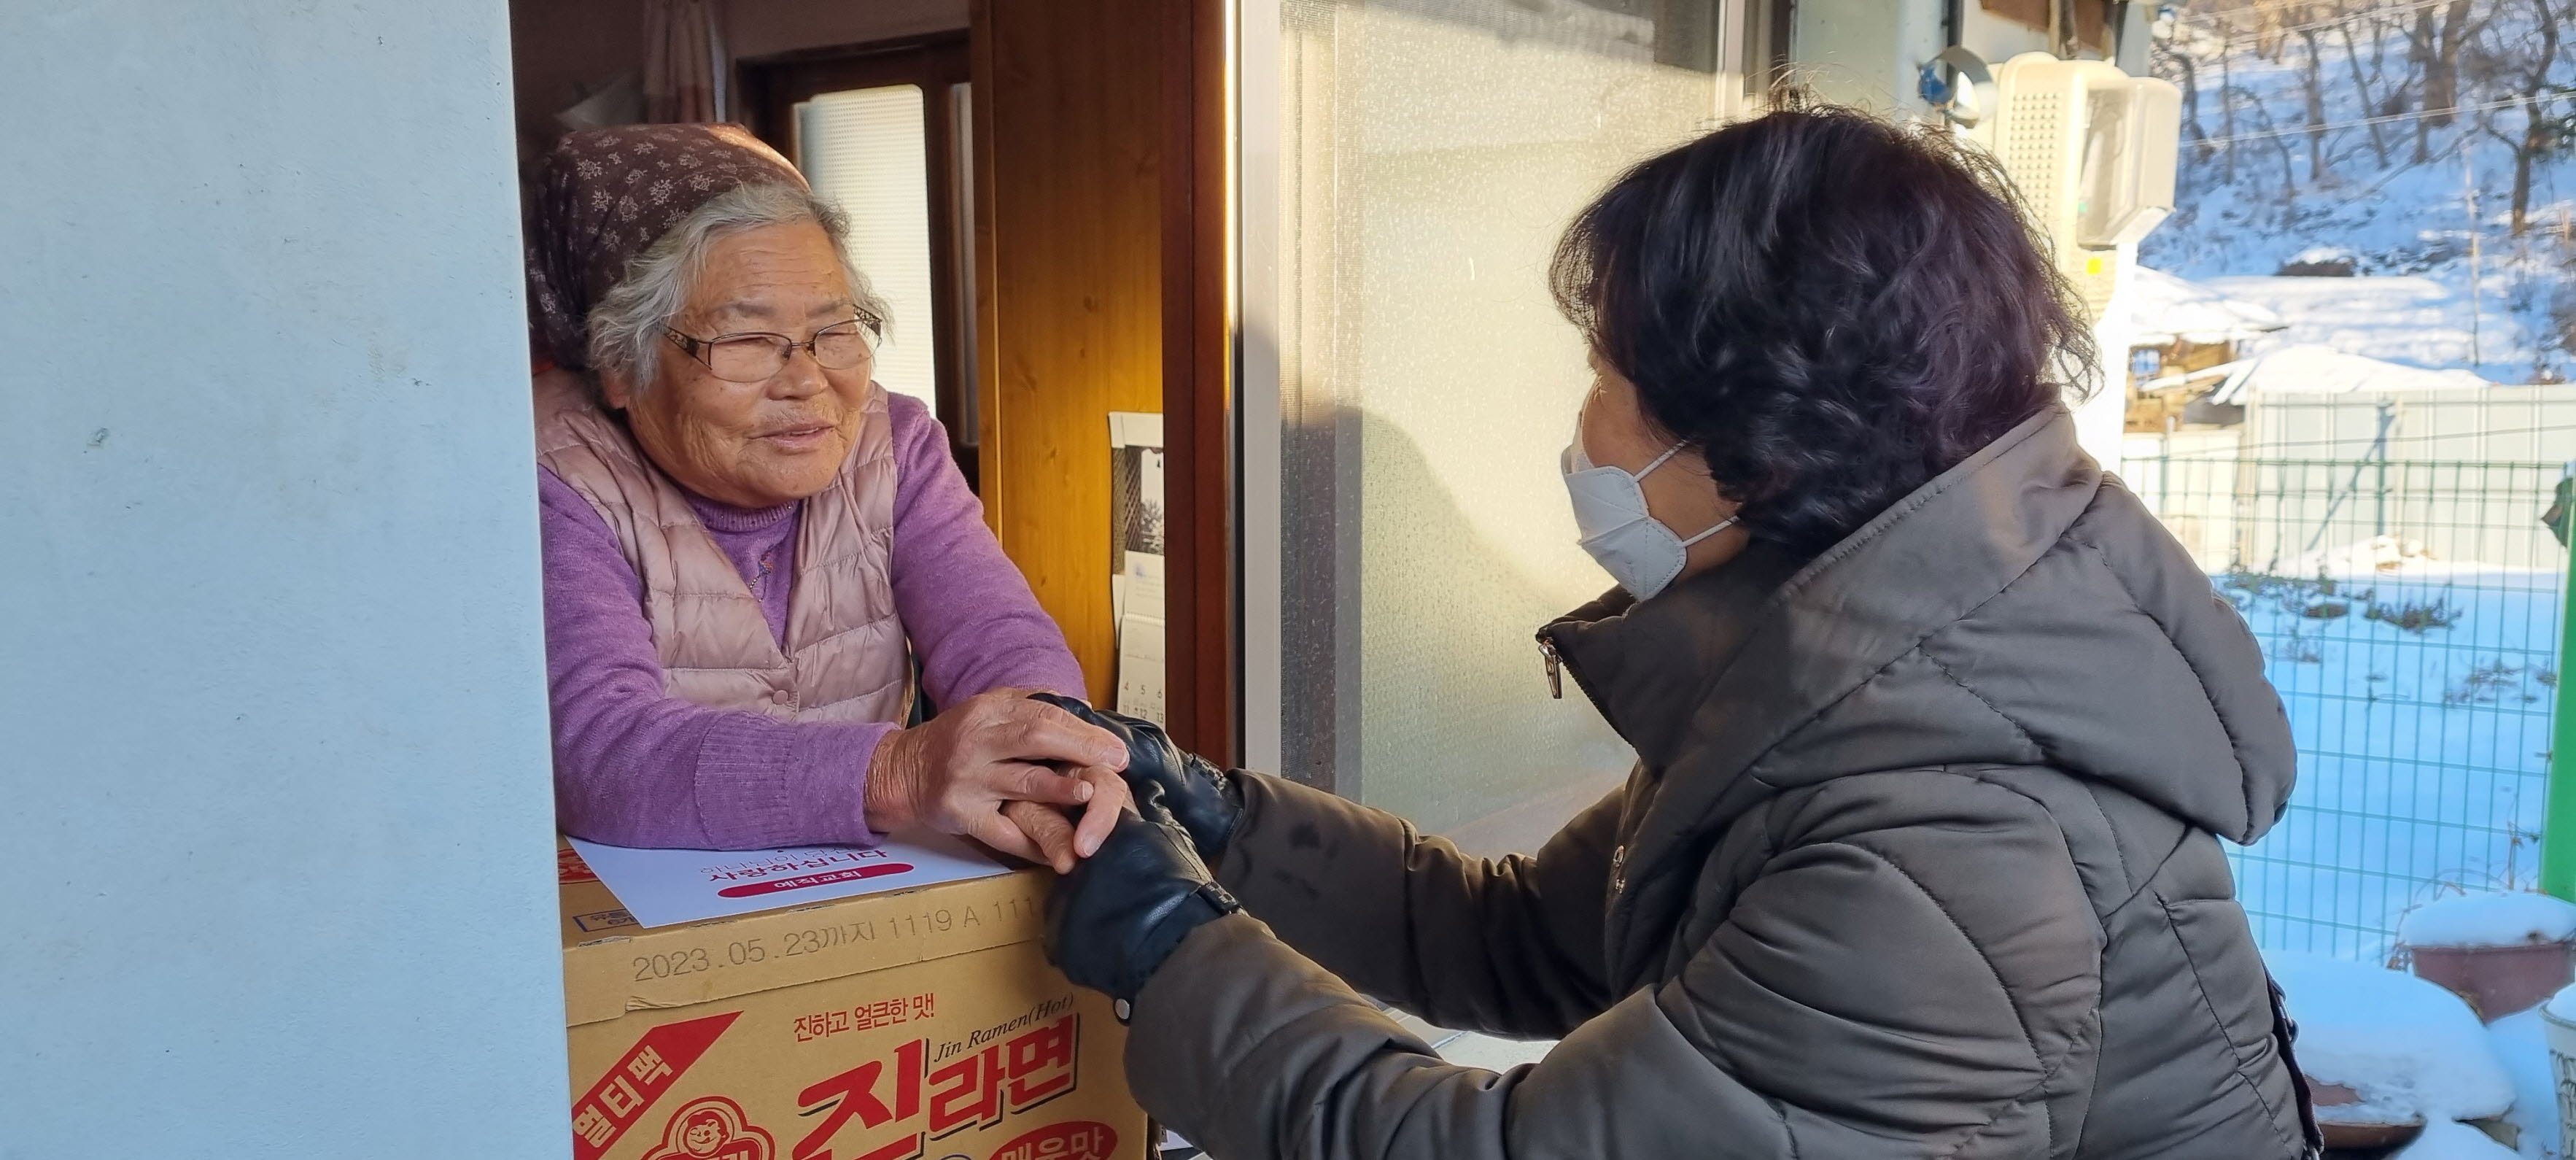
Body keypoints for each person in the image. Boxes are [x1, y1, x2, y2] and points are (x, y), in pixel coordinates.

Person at [1039, 107, 2324, 1159]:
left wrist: (1170, 951)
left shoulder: (1944, 842)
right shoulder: (1846, 690)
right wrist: (1225, 825)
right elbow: (1524, 936)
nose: (1583, 430)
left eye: (1607, 379)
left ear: (1763, 450)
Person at [524, 125, 1125, 867]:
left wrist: (1049, 762)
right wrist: (898, 772)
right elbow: (602, 754)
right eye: (746, 342)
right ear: (622, 365)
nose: (808, 381)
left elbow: (993, 633)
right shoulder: (551, 477)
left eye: (835, 330)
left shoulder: (893, 442)